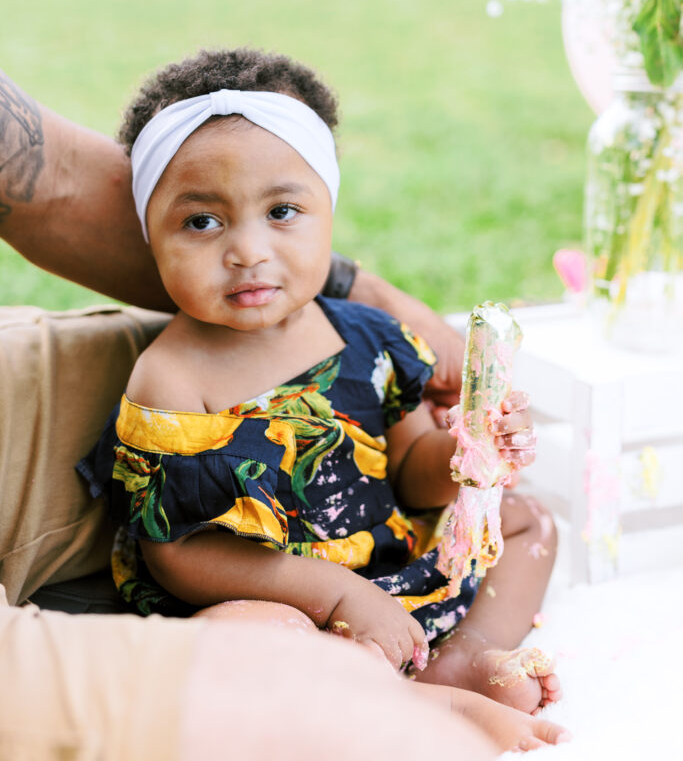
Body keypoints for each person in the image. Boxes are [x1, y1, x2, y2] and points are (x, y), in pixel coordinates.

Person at [76, 47, 567, 750]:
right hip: (281, 604)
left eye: (281, 210)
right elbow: (177, 555)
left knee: (527, 523)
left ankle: (462, 656)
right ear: (149, 235)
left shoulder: (367, 336)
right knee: (243, 637)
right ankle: (421, 710)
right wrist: (337, 596)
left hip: (388, 565)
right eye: (201, 222)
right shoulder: (172, 383)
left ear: (327, 211)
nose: (247, 250)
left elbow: (408, 475)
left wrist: (464, 454)